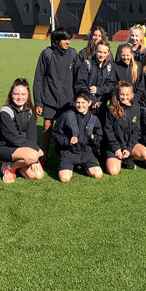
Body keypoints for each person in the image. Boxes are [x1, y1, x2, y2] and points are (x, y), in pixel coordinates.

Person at [33, 27, 80, 163]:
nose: (68, 42)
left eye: (69, 39)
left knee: (67, 129)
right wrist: (38, 102)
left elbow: (78, 77)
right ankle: (43, 156)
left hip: (68, 101)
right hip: (49, 99)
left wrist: (78, 99)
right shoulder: (46, 54)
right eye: (65, 39)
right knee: (47, 127)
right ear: (56, 40)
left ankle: (65, 157)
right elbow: (38, 79)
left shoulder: (73, 54)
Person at [0, 78, 44, 183]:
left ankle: (17, 164)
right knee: (33, 156)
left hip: (22, 148)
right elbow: (13, 139)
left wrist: (34, 154)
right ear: (11, 94)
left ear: (28, 95)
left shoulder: (29, 112)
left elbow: (32, 137)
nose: (20, 97)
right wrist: (36, 150)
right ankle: (9, 167)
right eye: (16, 94)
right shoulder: (5, 112)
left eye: (23, 94)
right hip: (4, 147)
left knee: (38, 175)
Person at [52, 90, 103, 182]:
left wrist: (93, 138)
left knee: (98, 174)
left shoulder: (94, 119)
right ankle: (70, 166)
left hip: (86, 153)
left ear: (89, 103)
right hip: (68, 153)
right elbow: (55, 133)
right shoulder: (66, 116)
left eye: (83, 102)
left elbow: (99, 137)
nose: (80, 105)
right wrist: (68, 141)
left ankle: (85, 166)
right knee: (64, 178)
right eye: (78, 102)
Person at [104, 81, 146, 174]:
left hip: (129, 145)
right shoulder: (111, 108)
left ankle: (127, 157)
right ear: (118, 94)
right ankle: (119, 158)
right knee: (113, 171)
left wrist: (128, 149)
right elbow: (108, 131)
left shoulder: (136, 108)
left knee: (145, 154)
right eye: (122, 94)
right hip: (114, 146)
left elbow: (136, 131)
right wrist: (116, 148)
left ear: (132, 95)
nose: (124, 97)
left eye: (127, 94)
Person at [74, 40, 116, 115]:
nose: (102, 55)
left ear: (108, 53)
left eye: (104, 53)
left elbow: (110, 85)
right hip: (87, 106)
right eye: (99, 52)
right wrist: (92, 99)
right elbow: (80, 85)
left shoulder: (110, 67)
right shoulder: (86, 65)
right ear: (95, 51)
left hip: (102, 106)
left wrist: (98, 90)